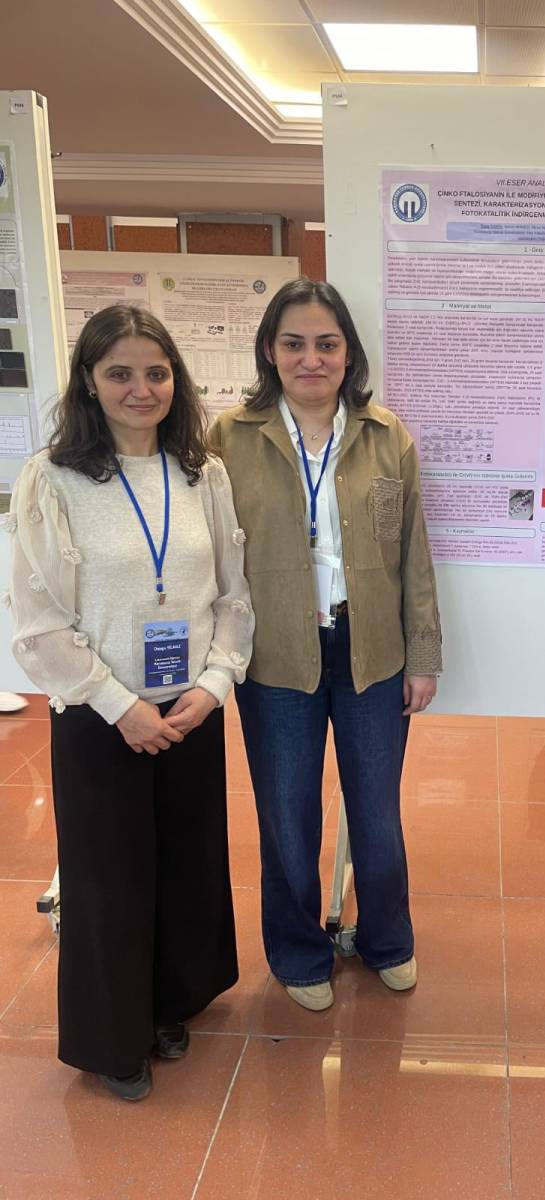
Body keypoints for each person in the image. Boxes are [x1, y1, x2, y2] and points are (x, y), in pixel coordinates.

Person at [6, 304, 254, 1099]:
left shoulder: (202, 473)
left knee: (187, 866)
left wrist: (213, 684)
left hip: (188, 711)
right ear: (88, 381)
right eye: (119, 373)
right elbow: (39, 620)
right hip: (98, 716)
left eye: (156, 372)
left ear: (176, 379)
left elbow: (232, 595)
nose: (141, 389)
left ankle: (171, 1002)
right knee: (108, 882)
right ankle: (115, 1038)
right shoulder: (52, 479)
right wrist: (120, 706)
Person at [209, 278, 441, 1012]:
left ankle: (388, 939)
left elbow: (413, 556)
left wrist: (423, 657)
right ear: (269, 351)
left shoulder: (386, 435)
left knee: (377, 812)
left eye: (326, 344)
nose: (311, 359)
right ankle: (297, 950)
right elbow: (210, 554)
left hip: (371, 651)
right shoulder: (229, 438)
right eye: (294, 344)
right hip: (275, 653)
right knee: (287, 812)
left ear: (348, 352)